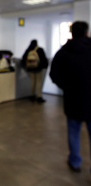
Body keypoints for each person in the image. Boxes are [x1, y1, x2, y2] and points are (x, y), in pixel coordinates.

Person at [50, 21, 91, 173]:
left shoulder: (63, 52)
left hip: (73, 101)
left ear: (71, 33)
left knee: (73, 132)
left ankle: (75, 162)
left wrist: (67, 87)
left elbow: (54, 74)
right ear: (87, 32)